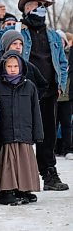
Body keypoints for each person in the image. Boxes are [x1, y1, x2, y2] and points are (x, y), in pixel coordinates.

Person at [0, 0, 69, 191]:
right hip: (19, 92)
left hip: (47, 91)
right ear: (26, 9)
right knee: (16, 133)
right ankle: (10, 176)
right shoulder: (17, 31)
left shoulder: (54, 36)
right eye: (33, 6)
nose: (38, 9)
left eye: (41, 6)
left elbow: (63, 63)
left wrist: (61, 85)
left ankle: (48, 173)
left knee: (46, 134)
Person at [0, 51, 43, 205]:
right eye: (9, 66)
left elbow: (36, 111)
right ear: (4, 67)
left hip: (25, 132)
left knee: (24, 162)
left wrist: (38, 133)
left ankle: (23, 189)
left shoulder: (30, 87)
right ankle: (7, 190)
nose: (13, 69)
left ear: (21, 67)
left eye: (15, 66)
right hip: (6, 133)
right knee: (8, 163)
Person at [0, 30, 48, 98]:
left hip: (24, 107)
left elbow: (43, 85)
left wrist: (32, 99)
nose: (18, 47)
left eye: (21, 44)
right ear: (6, 45)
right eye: (14, 43)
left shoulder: (29, 66)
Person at [55, 30, 72, 158]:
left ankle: (68, 148)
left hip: (67, 95)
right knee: (52, 124)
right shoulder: (51, 54)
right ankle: (54, 148)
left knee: (66, 123)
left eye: (61, 39)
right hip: (54, 95)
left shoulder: (69, 54)